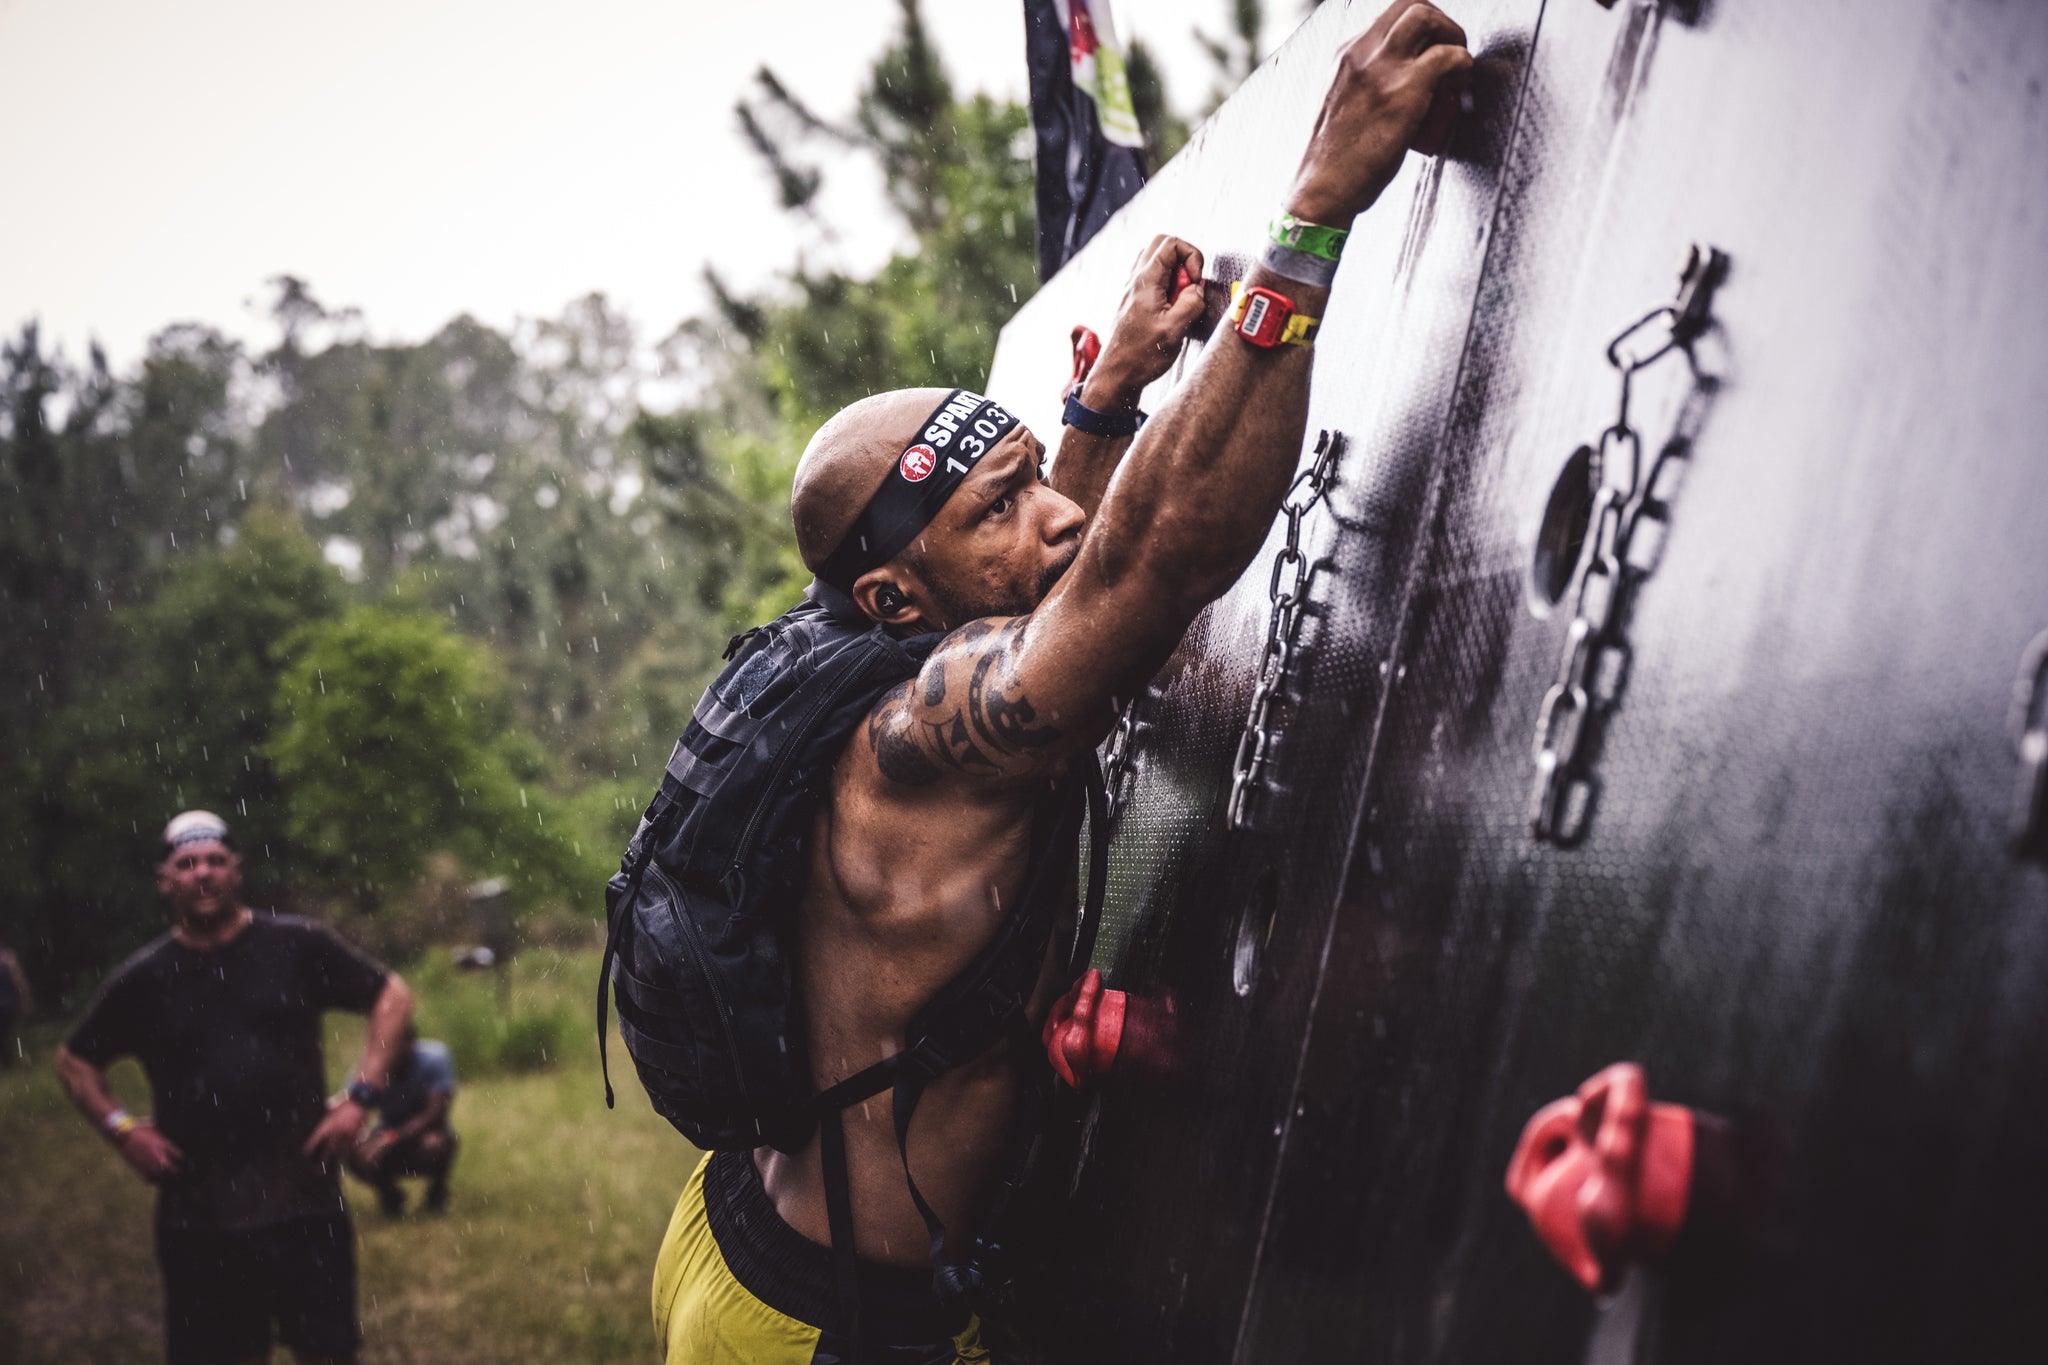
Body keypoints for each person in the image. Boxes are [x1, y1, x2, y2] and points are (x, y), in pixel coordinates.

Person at [647, 5, 1473, 1360]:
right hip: (825, 1327)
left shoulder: (851, 648)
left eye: (1036, 477)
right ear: (896, 601)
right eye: (1000, 504)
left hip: (745, 1223)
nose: (1053, 518)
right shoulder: (920, 737)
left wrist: (1106, 402)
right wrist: (1313, 215)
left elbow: (1027, 575)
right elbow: (1139, 563)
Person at [54, 810, 415, 1365]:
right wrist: (123, 1131)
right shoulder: (146, 977)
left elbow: (392, 996)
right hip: (199, 1219)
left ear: (236, 870)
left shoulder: (296, 945)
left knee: (329, 1353)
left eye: (215, 861)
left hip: (303, 1202)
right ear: (165, 879)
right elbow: (74, 1061)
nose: (203, 874)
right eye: (188, 864)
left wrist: (361, 1098)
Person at [345, 1023, 458, 1216]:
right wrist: (363, 1140)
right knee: (350, 1150)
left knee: (436, 1144)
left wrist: (390, 1140)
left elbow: (435, 1115)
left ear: (411, 1043)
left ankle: (437, 1191)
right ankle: (390, 1194)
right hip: (387, 1132)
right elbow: (352, 1111)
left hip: (424, 1134)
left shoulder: (435, 1058)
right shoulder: (371, 1069)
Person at [0, 942, 31, 1067]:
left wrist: (26, 999)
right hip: (9, 1004)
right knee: (5, 1035)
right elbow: (20, 980)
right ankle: (10, 1061)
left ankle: (10, 1061)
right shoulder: (7, 957)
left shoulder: (7, 957)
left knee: (5, 1034)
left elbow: (19, 980)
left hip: (8, 1005)